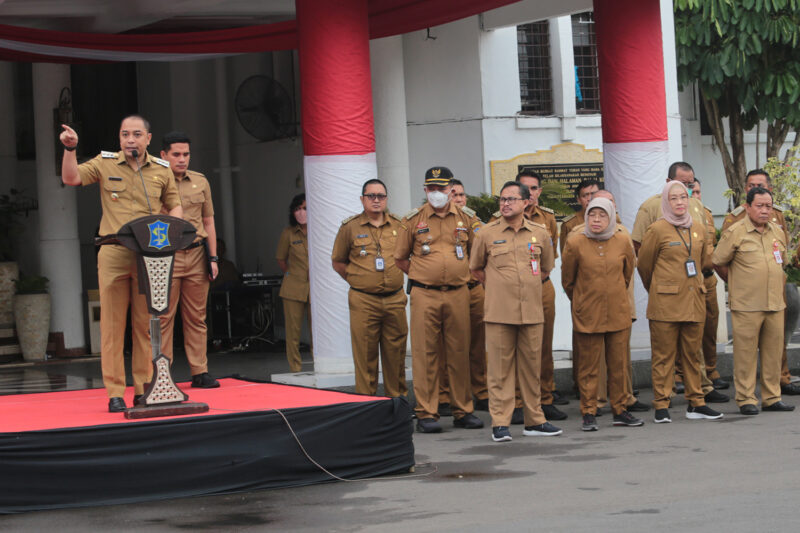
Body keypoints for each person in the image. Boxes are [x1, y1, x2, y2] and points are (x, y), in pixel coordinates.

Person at [59, 116, 183, 412]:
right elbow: (71, 178)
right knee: (113, 327)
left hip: (148, 256)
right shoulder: (105, 163)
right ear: (119, 137)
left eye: (136, 134)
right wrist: (70, 149)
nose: (130, 139)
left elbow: (175, 203)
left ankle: (142, 388)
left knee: (145, 325)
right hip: (113, 251)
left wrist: (175, 230)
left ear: (148, 139)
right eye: (125, 134)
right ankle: (114, 391)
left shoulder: (162, 170)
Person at [470, 180, 562, 441]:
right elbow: (476, 269)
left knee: (532, 369)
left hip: (531, 311)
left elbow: (545, 268)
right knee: (499, 370)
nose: (505, 204)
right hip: (499, 312)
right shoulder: (486, 233)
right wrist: (501, 287)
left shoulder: (540, 233)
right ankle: (501, 423)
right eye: (502, 199)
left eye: (511, 199)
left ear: (526, 202)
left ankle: (535, 420)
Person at [394, 166, 483, 433]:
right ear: (425, 190)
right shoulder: (412, 220)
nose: (437, 193)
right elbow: (400, 259)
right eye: (431, 189)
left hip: (458, 292)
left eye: (442, 189)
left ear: (451, 190)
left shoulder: (467, 218)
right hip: (424, 294)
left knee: (459, 352)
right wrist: (425, 275)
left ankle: (462, 410)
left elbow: (477, 255)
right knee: (425, 353)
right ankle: (427, 413)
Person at [630, 161, 728, 404]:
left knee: (699, 342)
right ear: (667, 183)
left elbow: (706, 247)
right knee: (666, 348)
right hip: (669, 289)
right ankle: (667, 394)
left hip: (700, 283)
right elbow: (643, 256)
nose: (684, 193)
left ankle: (702, 389)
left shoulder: (697, 207)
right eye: (681, 184)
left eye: (690, 185)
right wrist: (659, 284)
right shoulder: (651, 207)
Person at [561, 197, 642, 430]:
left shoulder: (622, 239)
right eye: (592, 215)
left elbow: (627, 274)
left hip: (617, 311)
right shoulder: (575, 241)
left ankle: (620, 410)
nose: (597, 220)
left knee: (618, 365)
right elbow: (568, 280)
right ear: (586, 216)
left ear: (611, 217)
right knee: (589, 366)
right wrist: (583, 301)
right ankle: (589, 411)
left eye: (602, 215)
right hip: (588, 313)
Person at [713, 187, 795, 415]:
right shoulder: (736, 232)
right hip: (747, 304)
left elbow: (783, 262)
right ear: (748, 207)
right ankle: (746, 398)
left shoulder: (777, 232)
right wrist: (737, 282)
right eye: (759, 206)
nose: (764, 210)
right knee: (746, 355)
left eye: (768, 206)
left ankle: (771, 397)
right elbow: (718, 261)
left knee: (773, 354)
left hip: (775, 303)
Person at [331, 179, 408, 397]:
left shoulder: (399, 225)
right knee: (365, 356)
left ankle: (398, 404)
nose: (376, 200)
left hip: (394, 299)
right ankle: (367, 405)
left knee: (396, 355)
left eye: (380, 196)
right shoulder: (350, 227)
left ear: (386, 198)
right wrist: (360, 279)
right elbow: (338, 262)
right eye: (371, 196)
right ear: (362, 199)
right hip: (364, 300)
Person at [157, 131, 220, 389]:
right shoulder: (154, 181)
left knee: (197, 316)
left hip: (196, 253)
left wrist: (214, 257)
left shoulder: (201, 181)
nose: (182, 159)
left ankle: (200, 371)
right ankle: (162, 373)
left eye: (186, 154)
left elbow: (209, 221)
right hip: (166, 255)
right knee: (163, 317)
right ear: (164, 155)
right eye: (177, 154)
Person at [438, 178, 489, 411]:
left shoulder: (471, 220)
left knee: (478, 344)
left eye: (461, 194)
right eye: (454, 194)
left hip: (473, 289)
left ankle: (481, 391)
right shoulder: (435, 222)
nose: (458, 199)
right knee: (446, 346)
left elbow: (484, 249)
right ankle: (445, 395)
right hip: (449, 291)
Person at [685, 178, 728, 390]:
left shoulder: (708, 214)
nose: (695, 196)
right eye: (691, 192)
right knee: (690, 329)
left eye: (698, 192)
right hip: (688, 280)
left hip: (708, 277)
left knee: (710, 327)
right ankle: (683, 375)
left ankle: (711, 371)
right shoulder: (673, 217)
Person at [276, 193, 312, 373]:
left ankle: (319, 364)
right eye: (298, 209)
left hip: (316, 289)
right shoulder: (288, 233)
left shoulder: (319, 230)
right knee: (293, 332)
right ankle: (295, 368)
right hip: (293, 288)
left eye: (305, 208)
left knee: (318, 332)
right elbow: (281, 260)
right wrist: (291, 274)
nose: (301, 212)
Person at [559, 179, 600, 254]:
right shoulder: (569, 224)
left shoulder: (613, 218)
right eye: (585, 195)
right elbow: (566, 258)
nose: (589, 199)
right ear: (578, 200)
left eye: (593, 194)